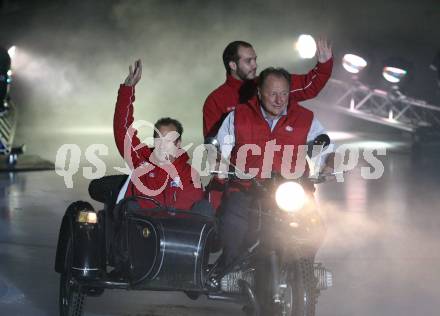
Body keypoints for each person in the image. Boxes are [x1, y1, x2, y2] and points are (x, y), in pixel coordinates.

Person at [215, 67, 336, 267]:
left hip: (293, 190)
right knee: (232, 227)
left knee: (315, 230)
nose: (279, 100)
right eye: (273, 94)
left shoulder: (305, 118)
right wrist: (219, 165)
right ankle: (232, 270)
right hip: (248, 189)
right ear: (259, 92)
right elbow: (219, 151)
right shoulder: (238, 116)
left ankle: (303, 272)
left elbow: (328, 149)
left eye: (284, 94)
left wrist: (329, 166)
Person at [113, 59, 204, 212]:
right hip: (140, 231)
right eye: (159, 139)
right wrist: (128, 89)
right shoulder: (141, 160)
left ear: (178, 143)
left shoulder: (189, 175)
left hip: (173, 232)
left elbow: (198, 217)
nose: (163, 144)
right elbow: (122, 130)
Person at [203, 39, 333, 138]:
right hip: (240, 171)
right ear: (233, 65)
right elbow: (213, 147)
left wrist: (324, 65)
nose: (255, 65)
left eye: (255, 59)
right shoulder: (215, 101)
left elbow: (307, 87)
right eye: (248, 61)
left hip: (278, 167)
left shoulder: (269, 84)